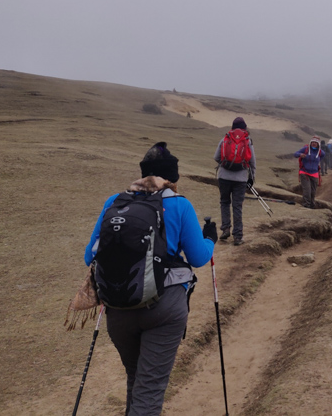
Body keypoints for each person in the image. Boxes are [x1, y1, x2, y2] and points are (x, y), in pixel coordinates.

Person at [83, 141, 216, 415]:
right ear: (171, 177)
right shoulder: (180, 204)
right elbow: (199, 258)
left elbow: (89, 256)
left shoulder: (115, 201)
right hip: (164, 309)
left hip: (118, 307)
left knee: (138, 379)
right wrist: (210, 239)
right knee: (150, 388)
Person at [214, 117, 256, 246]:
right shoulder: (247, 141)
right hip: (240, 179)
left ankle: (225, 229)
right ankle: (238, 236)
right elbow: (252, 161)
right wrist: (251, 177)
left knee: (224, 202)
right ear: (245, 127)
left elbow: (216, 157)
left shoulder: (225, 139)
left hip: (224, 177)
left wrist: (226, 164)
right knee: (237, 206)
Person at [295, 136, 324, 208]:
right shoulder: (305, 149)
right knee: (307, 191)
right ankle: (306, 205)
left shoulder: (321, 152)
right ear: (310, 143)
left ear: (318, 144)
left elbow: (321, 158)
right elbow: (295, 154)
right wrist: (300, 155)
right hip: (304, 172)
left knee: (313, 192)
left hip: (314, 174)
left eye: (315, 142)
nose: (314, 144)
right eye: (312, 142)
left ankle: (312, 205)